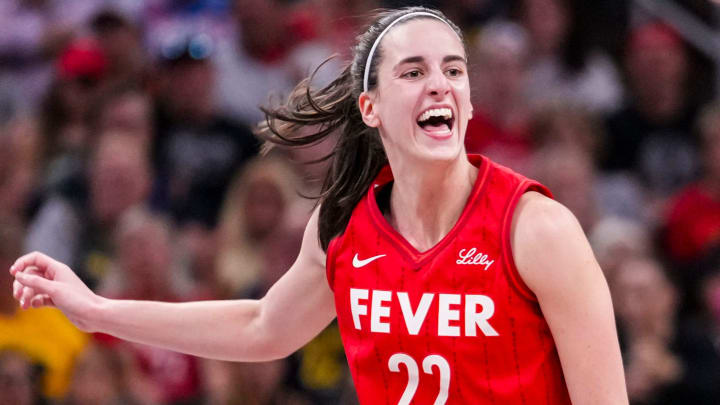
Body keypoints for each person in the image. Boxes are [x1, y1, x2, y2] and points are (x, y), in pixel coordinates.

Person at [10, 7, 628, 405]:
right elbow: (261, 327)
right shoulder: (343, 225)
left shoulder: (536, 229)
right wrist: (97, 310)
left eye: (454, 70)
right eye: (413, 71)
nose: (441, 83)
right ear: (370, 107)